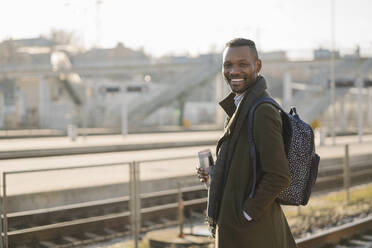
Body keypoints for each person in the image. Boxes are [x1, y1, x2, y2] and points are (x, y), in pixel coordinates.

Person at [197, 38, 297, 247]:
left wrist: (245, 215)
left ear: (257, 66)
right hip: (239, 229)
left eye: (242, 64)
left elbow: (278, 176)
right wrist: (215, 174)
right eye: (228, 65)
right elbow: (242, 165)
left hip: (253, 234)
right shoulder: (240, 106)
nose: (234, 71)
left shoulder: (262, 111)